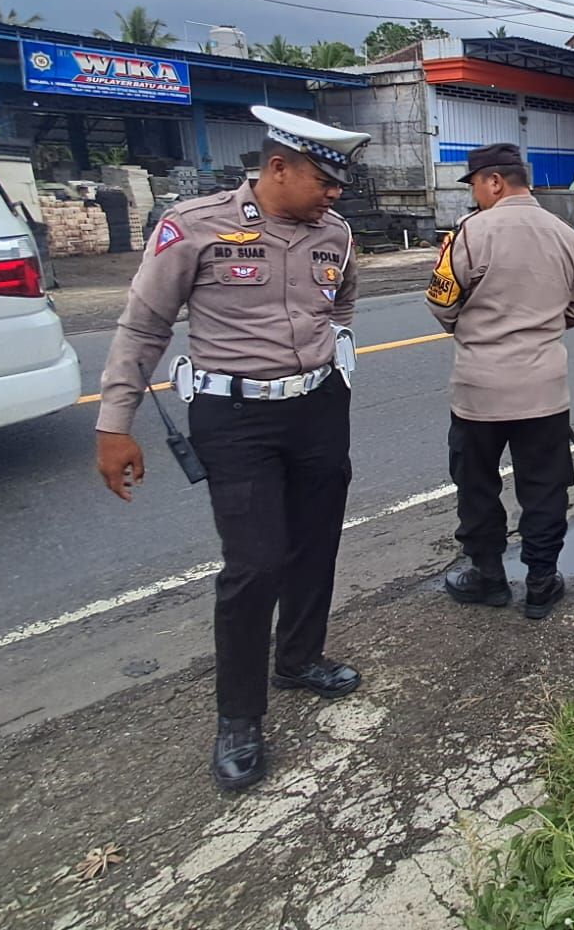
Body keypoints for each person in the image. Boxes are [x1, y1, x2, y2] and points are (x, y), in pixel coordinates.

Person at [96, 107, 369, 792]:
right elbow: (143, 326)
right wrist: (113, 422)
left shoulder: (335, 234)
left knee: (315, 543)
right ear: (277, 168)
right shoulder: (193, 227)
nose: (334, 194)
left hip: (317, 408)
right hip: (234, 417)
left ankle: (299, 658)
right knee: (254, 564)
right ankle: (240, 718)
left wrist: (331, 365)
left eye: (339, 182)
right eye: (323, 179)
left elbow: (342, 307)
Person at [427, 143, 574, 620]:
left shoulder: (469, 234)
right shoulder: (566, 235)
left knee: (477, 484)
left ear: (495, 182)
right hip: (544, 391)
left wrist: (478, 329)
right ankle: (541, 582)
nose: (476, 195)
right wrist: (538, 329)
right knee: (545, 487)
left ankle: (488, 578)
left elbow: (441, 303)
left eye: (477, 185)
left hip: (479, 393)